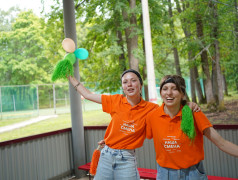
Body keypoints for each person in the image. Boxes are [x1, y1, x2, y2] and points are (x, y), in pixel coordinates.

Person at [68, 69, 199, 180]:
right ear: (123, 87)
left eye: (133, 80)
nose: (129, 84)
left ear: (141, 85)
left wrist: (188, 104)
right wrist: (70, 76)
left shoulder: (152, 108)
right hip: (106, 155)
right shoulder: (115, 100)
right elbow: (87, 94)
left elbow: (172, 106)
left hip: (126, 158)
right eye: (125, 82)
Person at [146, 75, 238, 180]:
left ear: (182, 94)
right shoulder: (152, 116)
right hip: (165, 174)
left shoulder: (194, 113)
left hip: (193, 174)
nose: (169, 93)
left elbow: (222, 143)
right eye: (165, 89)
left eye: (175, 88)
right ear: (161, 93)